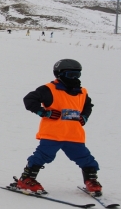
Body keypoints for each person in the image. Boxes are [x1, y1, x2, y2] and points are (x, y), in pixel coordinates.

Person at [15, 59, 101, 195]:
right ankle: (26, 179)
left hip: (74, 134)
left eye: (77, 75)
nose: (74, 79)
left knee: (85, 157)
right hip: (52, 133)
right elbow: (29, 99)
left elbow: (88, 106)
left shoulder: (82, 92)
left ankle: (91, 180)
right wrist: (44, 112)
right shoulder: (48, 89)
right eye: (70, 75)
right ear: (59, 74)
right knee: (43, 156)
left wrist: (84, 117)